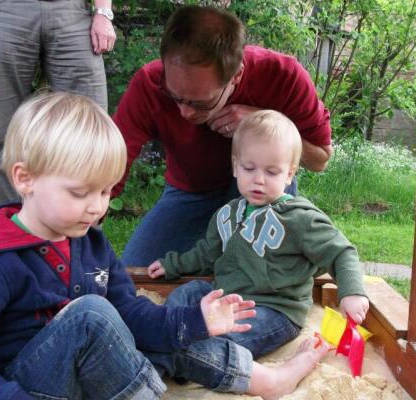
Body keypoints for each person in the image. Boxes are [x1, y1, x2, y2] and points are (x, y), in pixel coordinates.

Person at [0, 93, 330, 400]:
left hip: (89, 377)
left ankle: (264, 380)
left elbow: (129, 311)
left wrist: (194, 322)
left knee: (165, 327)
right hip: (24, 388)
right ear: (25, 179)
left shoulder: (88, 242)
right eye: (80, 192)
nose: (97, 206)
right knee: (92, 315)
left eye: (107, 190)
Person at [113, 5, 334, 267]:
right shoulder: (149, 84)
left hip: (264, 190)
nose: (184, 112)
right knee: (136, 271)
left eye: (201, 103)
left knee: (259, 277)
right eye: (175, 97)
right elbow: (112, 162)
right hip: (190, 192)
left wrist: (263, 122)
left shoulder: (283, 75)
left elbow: (321, 159)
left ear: (236, 75)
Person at [147, 110, 370, 364]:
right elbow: (206, 253)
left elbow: (341, 251)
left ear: (289, 174)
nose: (259, 180)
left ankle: (169, 359)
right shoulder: (228, 213)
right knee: (186, 294)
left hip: (273, 310)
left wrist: (352, 292)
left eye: (272, 172)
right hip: (226, 297)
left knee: (222, 342)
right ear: (235, 167)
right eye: (249, 168)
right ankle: (165, 336)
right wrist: (173, 264)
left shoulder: (299, 217)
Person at [0, 0, 116, 211]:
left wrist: (103, 11)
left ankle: (84, 235)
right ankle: (4, 234)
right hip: (0, 11)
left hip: (71, 11)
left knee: (91, 132)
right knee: (1, 138)